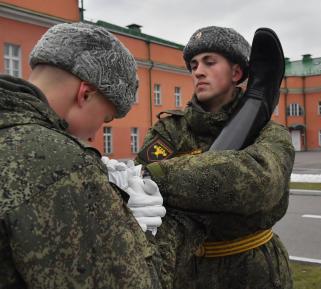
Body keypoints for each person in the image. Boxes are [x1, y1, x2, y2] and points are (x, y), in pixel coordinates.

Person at [0, 22, 163, 288]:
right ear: (85, 94)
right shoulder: (62, 165)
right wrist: (135, 233)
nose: (95, 135)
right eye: (104, 118)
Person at [136, 26, 295, 289]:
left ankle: (260, 96)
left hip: (254, 272)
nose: (198, 71)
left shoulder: (269, 131)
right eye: (194, 65)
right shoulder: (170, 129)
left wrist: (163, 176)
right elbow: (142, 194)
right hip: (188, 273)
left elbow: (260, 183)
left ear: (236, 73)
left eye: (210, 62)